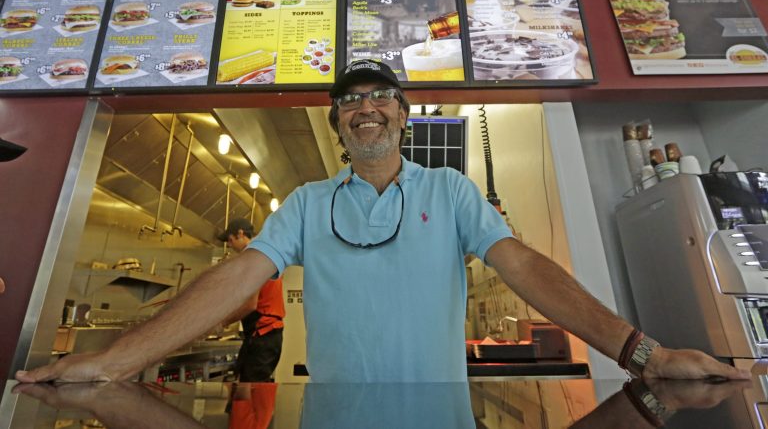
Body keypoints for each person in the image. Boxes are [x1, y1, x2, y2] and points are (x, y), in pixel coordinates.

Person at [16, 60, 749, 384]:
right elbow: (238, 277)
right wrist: (115, 361)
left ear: (402, 113)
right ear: (338, 123)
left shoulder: (454, 191)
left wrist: (644, 355)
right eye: (351, 101)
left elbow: (524, 266)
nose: (366, 106)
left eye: (381, 97)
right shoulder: (305, 204)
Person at [218, 218, 285, 382]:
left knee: (249, 393)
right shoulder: (264, 252)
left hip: (263, 335)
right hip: (264, 336)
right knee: (245, 390)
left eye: (231, 240)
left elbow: (250, 304)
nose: (230, 245)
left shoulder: (254, 256)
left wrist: (222, 322)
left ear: (241, 233)